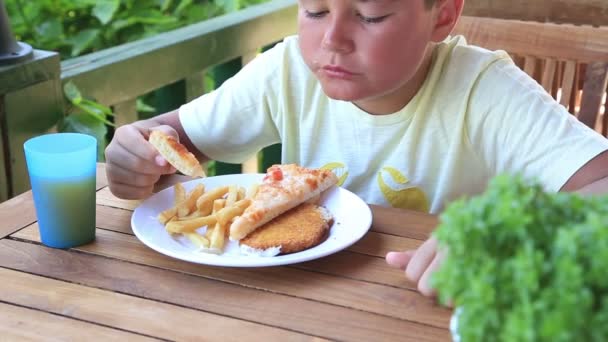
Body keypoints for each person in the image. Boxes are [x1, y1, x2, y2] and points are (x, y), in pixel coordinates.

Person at [104, 0, 608, 299]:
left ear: (443, 14)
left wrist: (505, 237)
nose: (333, 40)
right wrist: (136, 153)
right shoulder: (286, 71)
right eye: (315, 10)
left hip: (428, 308)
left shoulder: (485, 91)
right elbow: (171, 139)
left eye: (370, 15)